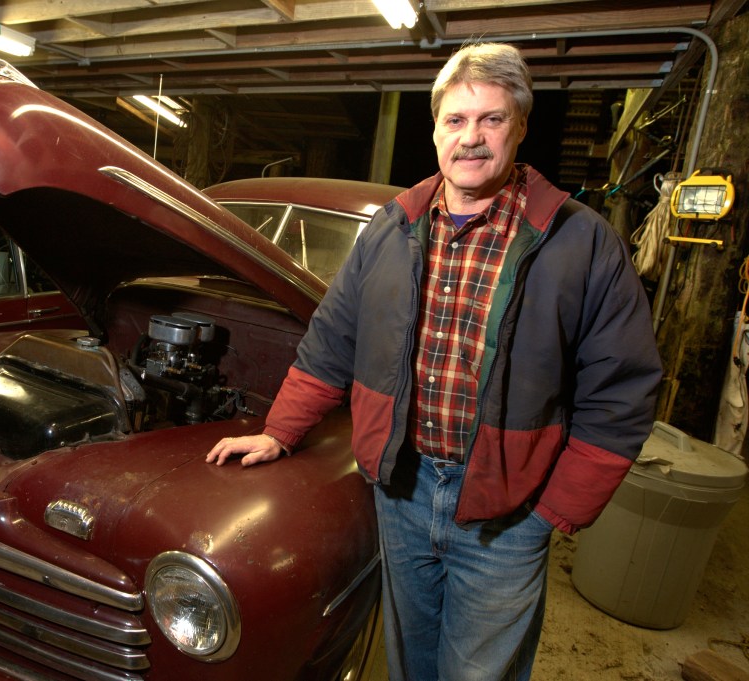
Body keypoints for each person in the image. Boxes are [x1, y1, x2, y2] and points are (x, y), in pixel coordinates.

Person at [206, 42, 661, 681]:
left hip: (507, 512)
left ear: (520, 127)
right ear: (436, 129)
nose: (470, 138)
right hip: (402, 491)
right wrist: (279, 431)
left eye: (491, 119)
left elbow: (624, 387)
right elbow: (333, 341)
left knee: (478, 674)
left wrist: (556, 511)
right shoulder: (392, 229)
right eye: (456, 120)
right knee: (409, 663)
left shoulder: (581, 241)